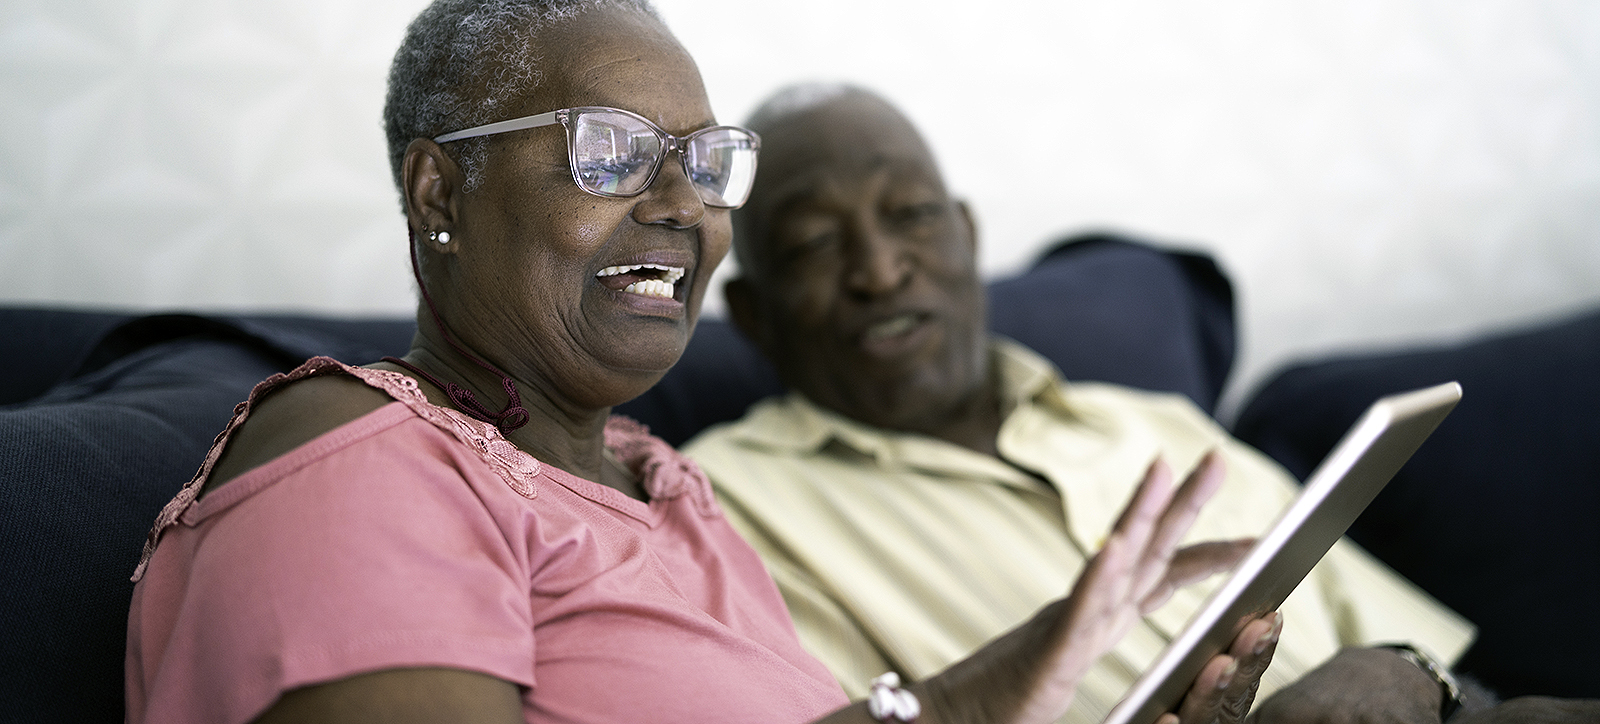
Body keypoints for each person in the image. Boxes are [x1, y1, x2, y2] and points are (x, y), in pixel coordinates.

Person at [122, 3, 1281, 723]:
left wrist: (1013, 703)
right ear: (442, 192)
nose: (683, 206)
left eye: (703, 159)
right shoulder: (361, 469)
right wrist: (956, 706)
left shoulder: (666, 488)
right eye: (614, 153)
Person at [686, 84, 1599, 724]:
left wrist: (1408, 672)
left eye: (912, 216)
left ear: (966, 238)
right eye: (812, 243)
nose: (881, 271)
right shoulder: (725, 507)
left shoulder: (1154, 422)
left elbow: (1456, 671)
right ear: (756, 316)